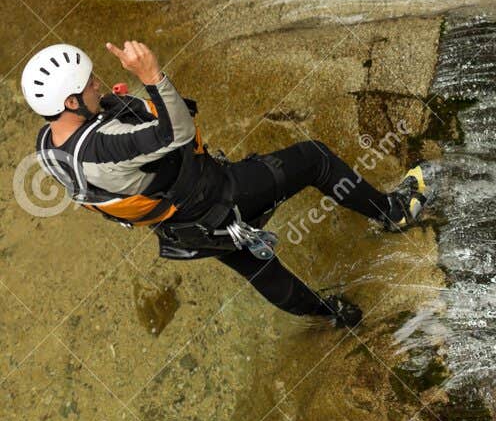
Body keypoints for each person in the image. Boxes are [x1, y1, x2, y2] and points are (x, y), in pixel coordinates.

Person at [20, 39, 430, 328]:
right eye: (89, 84)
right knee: (314, 160)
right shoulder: (105, 149)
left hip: (188, 228)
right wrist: (152, 76)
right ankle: (393, 213)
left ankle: (332, 316)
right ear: (70, 103)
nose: (97, 84)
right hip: (221, 196)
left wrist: (121, 109)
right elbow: (177, 132)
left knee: (259, 268)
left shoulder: (49, 145)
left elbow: (113, 156)